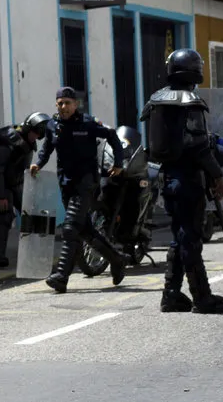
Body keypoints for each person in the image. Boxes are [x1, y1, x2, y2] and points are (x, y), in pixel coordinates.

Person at [140, 48, 223, 314]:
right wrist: (216, 174)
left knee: (180, 237)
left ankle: (171, 295)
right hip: (188, 179)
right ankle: (202, 297)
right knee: (190, 238)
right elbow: (199, 145)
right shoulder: (190, 101)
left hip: (168, 178)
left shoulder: (156, 100)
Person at [30, 87, 129, 293]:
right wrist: (38, 163)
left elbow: (112, 135)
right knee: (84, 230)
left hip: (86, 182)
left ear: (76, 105)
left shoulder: (88, 123)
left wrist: (118, 163)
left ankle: (61, 276)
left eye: (67, 102)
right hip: (65, 182)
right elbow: (47, 148)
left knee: (70, 228)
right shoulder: (52, 125)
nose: (64, 107)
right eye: (60, 103)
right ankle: (117, 259)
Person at [0, 112, 51, 268]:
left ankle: (39, 252)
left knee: (32, 214)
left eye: (39, 135)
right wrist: (1, 196)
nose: (37, 137)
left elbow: (20, 166)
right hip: (2, 185)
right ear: (28, 129)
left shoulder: (26, 142)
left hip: (17, 184)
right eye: (35, 133)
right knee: (5, 217)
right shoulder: (8, 142)